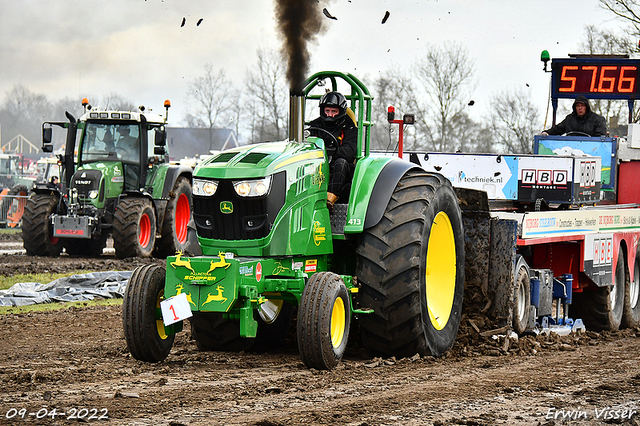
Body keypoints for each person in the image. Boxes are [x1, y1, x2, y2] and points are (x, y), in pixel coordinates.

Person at [308, 91, 357, 212]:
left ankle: (329, 200)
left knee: (341, 163)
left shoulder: (349, 127)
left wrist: (330, 152)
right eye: (327, 111)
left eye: (334, 111)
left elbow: (349, 151)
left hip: (342, 169)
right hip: (318, 163)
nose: (330, 115)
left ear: (341, 111)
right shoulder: (315, 125)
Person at [541, 95, 607, 136]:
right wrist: (547, 133)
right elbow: (558, 129)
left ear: (587, 107)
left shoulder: (597, 120)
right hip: (571, 150)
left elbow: (600, 138)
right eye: (578, 106)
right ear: (575, 107)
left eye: (582, 106)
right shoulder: (569, 119)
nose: (580, 108)